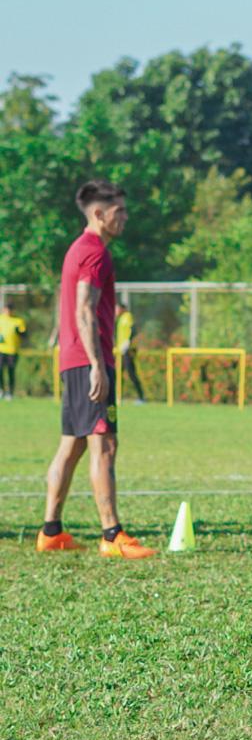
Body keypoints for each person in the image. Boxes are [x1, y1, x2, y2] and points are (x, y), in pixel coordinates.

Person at [37, 180, 156, 558]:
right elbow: (84, 308)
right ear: (98, 213)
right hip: (88, 359)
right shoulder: (94, 252)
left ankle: (51, 530)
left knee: (72, 444)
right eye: (119, 211)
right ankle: (111, 535)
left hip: (73, 359)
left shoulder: (79, 249)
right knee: (103, 444)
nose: (125, 217)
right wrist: (96, 366)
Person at [115, 302, 146, 404]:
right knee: (118, 374)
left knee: (131, 374)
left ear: (122, 309)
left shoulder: (127, 317)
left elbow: (133, 330)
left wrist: (128, 342)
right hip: (121, 351)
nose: (116, 311)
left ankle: (141, 397)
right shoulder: (120, 319)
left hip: (128, 350)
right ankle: (118, 396)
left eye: (117, 308)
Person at [0, 303, 27, 400]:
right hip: (1, 350)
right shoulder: (1, 319)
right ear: (4, 310)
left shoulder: (18, 321)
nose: (8, 311)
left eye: (10, 309)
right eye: (7, 309)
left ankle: (10, 393)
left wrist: (19, 332)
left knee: (11, 371)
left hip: (13, 350)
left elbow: (24, 335)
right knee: (0, 370)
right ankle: (2, 390)